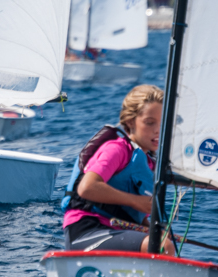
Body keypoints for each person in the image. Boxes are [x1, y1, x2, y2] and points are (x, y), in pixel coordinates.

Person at [62, 84, 176, 254]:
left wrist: (153, 229)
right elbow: (87, 187)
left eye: (163, 123)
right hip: (87, 230)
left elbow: (130, 215)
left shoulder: (148, 162)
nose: (158, 130)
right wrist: (136, 201)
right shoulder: (116, 149)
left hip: (115, 230)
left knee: (164, 241)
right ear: (131, 122)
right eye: (150, 123)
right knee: (162, 247)